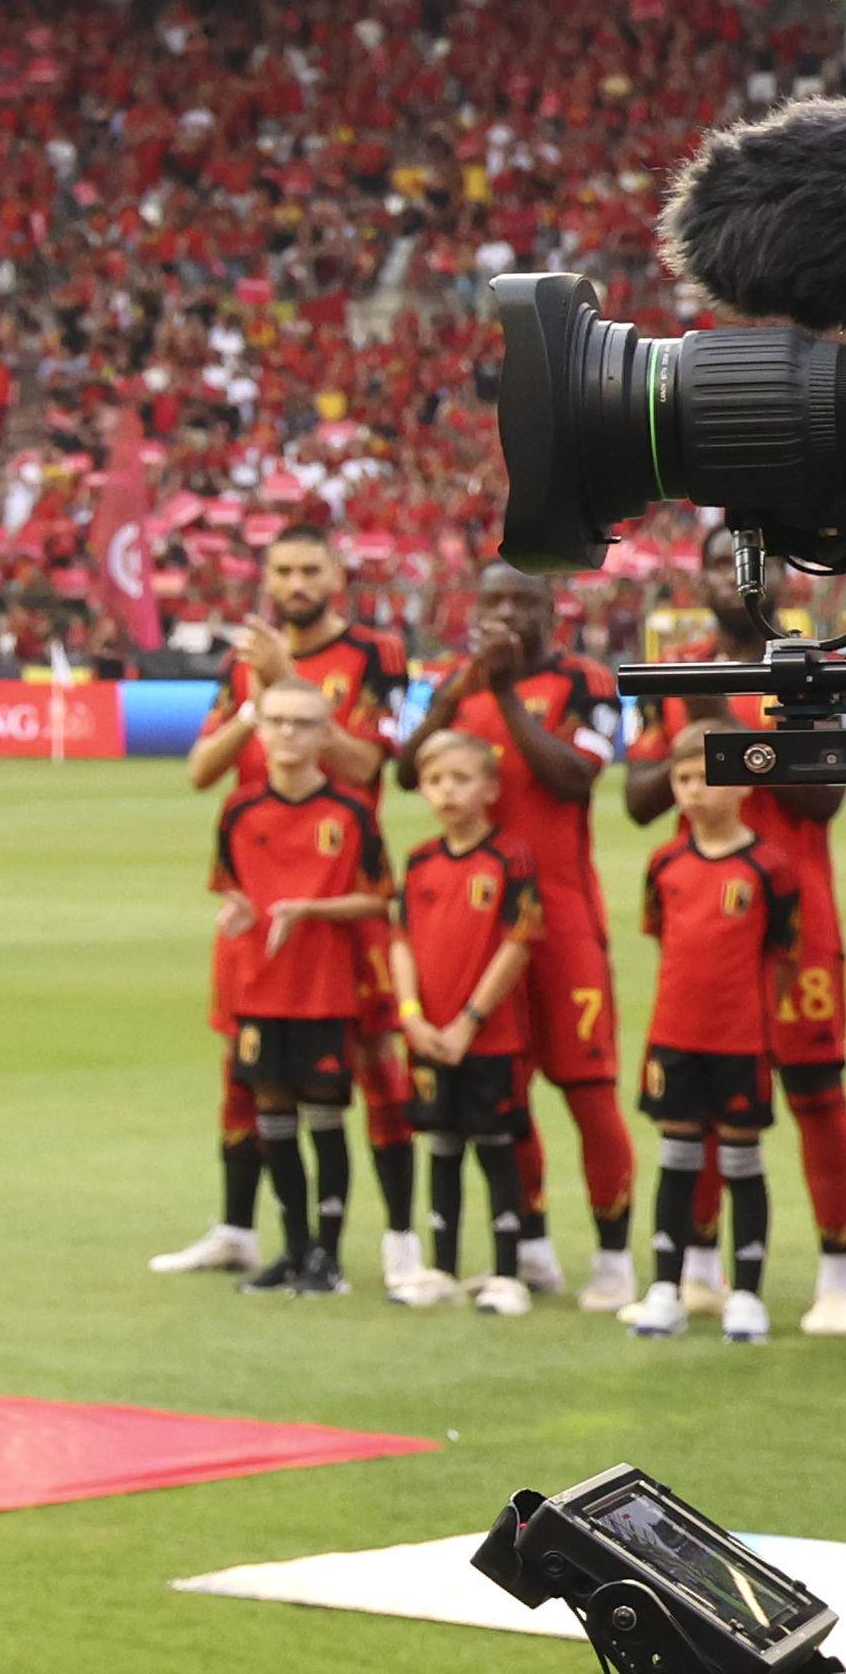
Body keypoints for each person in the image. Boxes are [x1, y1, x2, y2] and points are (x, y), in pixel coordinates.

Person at [157, 529, 414, 1288]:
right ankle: (239, 1227)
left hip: (340, 893)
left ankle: (399, 1237)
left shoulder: (375, 654)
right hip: (258, 887)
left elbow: (371, 767)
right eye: (283, 570)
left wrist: (287, 680)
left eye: (310, 568)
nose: (296, 582)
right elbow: (202, 771)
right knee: (246, 1065)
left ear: (337, 574)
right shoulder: (246, 667)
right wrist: (255, 700)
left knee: (370, 1061)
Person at [625, 539, 846, 1335]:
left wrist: (724, 725)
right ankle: (696, 1266)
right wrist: (691, 743)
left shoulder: (809, 666)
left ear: (784, 578)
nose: (739, 577)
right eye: (724, 563)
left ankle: (840, 1271)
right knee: (693, 1103)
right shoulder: (678, 671)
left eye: (755, 562)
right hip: (709, 937)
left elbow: (824, 801)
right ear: (700, 579)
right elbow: (636, 797)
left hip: (796, 926)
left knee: (813, 1091)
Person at [403, 561, 626, 1306]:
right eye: (492, 600)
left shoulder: (587, 680)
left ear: (548, 610)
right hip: (478, 925)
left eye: (520, 601)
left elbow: (574, 776)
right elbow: (407, 770)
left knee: (588, 1088)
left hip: (561, 918)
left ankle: (615, 1254)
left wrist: (500, 692)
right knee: (507, 1091)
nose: (504, 613)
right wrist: (465, 690)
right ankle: (528, 1244)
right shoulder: (453, 686)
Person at [210, 680, 393, 1297]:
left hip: (322, 987)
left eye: (303, 723)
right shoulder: (238, 810)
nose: (288, 734)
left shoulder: (350, 813)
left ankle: (328, 1256)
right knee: (272, 1120)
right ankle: (291, 1249)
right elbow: (231, 886)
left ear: (325, 733)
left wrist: (309, 911)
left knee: (326, 1119)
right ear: (258, 730)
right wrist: (237, 913)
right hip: (259, 988)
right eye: (277, 721)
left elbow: (378, 898)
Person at [626, 727, 800, 1341]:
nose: (694, 791)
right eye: (683, 779)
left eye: (706, 777)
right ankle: (666, 1288)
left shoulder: (769, 867)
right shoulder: (665, 863)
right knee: (676, 1160)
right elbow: (662, 939)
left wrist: (753, 1019)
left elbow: (782, 956)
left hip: (740, 1041)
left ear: (743, 783)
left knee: (741, 1160)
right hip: (675, 1035)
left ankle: (746, 1295)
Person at [391, 727, 544, 1313]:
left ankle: (508, 1271)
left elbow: (519, 942)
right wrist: (411, 1016)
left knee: (496, 1145)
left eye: (460, 779)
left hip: (489, 1035)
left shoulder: (510, 856)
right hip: (428, 1033)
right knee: (441, 1144)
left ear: (489, 787)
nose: (446, 792)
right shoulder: (420, 860)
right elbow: (400, 941)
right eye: (434, 781)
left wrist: (469, 1020)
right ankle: (440, 1266)